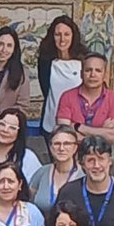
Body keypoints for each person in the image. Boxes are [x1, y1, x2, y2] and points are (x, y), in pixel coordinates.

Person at [36, 16, 86, 145]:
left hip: (78, 125)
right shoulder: (46, 61)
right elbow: (45, 88)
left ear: (73, 36)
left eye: (66, 34)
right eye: (58, 34)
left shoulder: (84, 60)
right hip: (51, 121)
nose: (62, 39)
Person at [56, 53, 114, 145]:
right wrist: (101, 132)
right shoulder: (67, 97)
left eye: (98, 70)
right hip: (73, 156)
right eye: (88, 70)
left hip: (102, 155)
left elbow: (111, 137)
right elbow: (64, 134)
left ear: (105, 75)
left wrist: (79, 127)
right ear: (81, 74)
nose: (93, 74)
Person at [28, 126, 83, 216]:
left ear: (75, 148)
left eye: (67, 144)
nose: (61, 148)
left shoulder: (84, 176)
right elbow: (29, 204)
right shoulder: (41, 173)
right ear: (50, 147)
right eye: (57, 143)